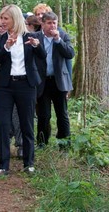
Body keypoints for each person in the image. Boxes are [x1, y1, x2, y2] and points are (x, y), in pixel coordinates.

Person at [0, 4, 46, 180]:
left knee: (27, 124)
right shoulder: (0, 39)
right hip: (4, 87)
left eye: (5, 18)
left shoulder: (32, 37)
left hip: (26, 85)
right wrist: (7, 47)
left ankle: (29, 163)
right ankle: (3, 165)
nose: (1, 21)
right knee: (2, 124)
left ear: (15, 19)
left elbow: (43, 56)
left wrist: (37, 46)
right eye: (1, 18)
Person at [32, 12, 75, 149]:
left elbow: (70, 54)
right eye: (49, 23)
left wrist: (58, 40)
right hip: (42, 81)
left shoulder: (62, 36)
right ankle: (42, 143)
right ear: (43, 24)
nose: (52, 26)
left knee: (62, 114)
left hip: (59, 81)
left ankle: (65, 144)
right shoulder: (35, 37)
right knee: (44, 115)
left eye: (54, 23)